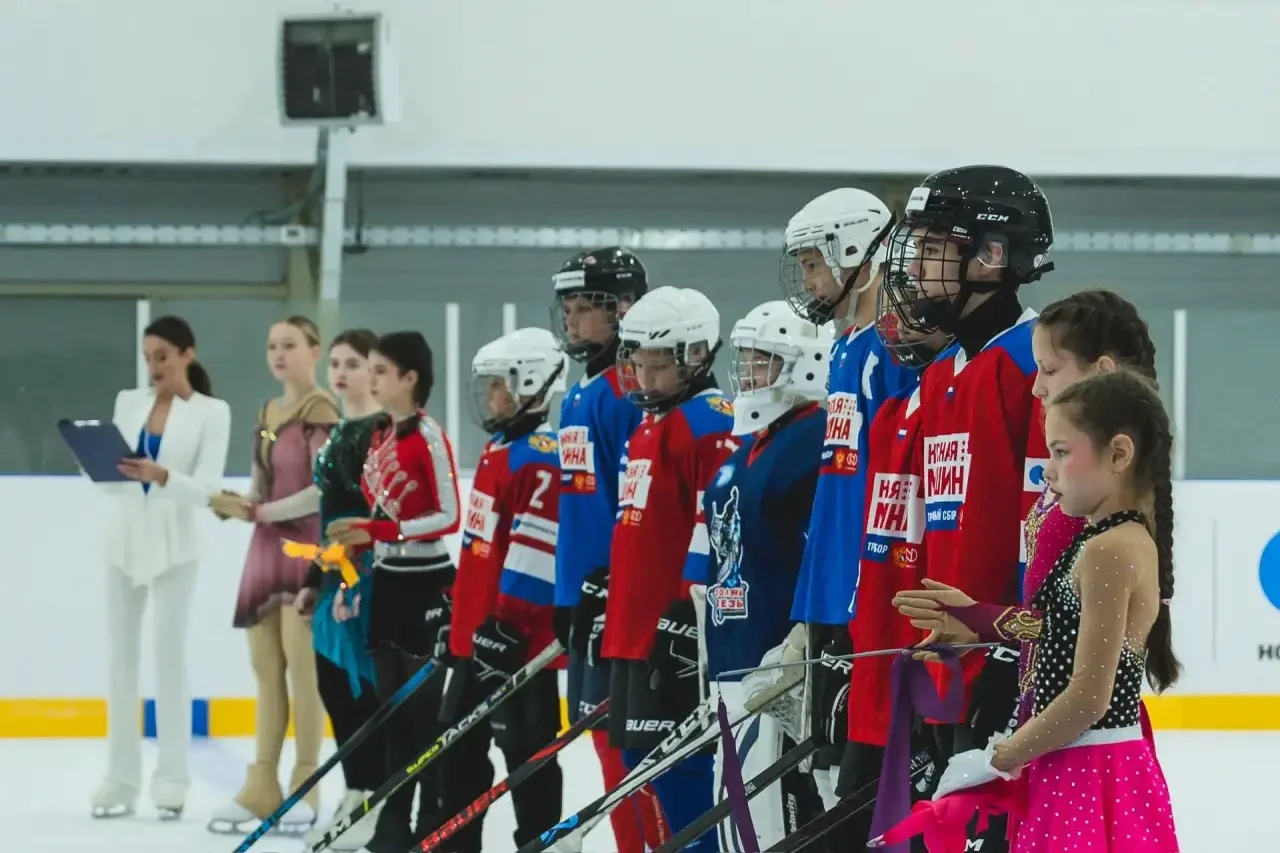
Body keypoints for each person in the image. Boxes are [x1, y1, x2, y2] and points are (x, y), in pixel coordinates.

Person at [891, 368, 1181, 853]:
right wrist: (981, 618)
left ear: (1119, 454)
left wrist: (997, 757)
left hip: (1088, 774)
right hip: (1070, 766)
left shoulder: (1109, 550)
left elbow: (1089, 698)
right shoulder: (1098, 540)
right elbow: (1064, 634)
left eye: (1062, 452)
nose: (1047, 469)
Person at [877, 165, 1055, 852]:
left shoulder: (1032, 360)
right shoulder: (947, 371)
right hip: (949, 663)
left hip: (1008, 667)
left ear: (991, 255)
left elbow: (1044, 530)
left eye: (932, 247)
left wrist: (1017, 653)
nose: (916, 266)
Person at [893, 290, 1160, 726]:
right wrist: (982, 622)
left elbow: (1083, 637)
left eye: (1049, 370)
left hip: (1082, 738)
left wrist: (988, 623)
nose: (1036, 386)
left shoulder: (1113, 505)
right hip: (1045, 711)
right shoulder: (1074, 487)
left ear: (1101, 372)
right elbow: (1059, 621)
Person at [776, 188, 916, 825]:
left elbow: (894, 482)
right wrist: (811, 606)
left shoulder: (892, 347)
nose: (807, 279)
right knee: (829, 790)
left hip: (869, 609)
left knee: (859, 804)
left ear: (856, 251)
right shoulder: (845, 347)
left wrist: (865, 602)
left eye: (813, 263)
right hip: (833, 602)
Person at [694, 300, 832, 851]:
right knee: (736, 831)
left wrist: (805, 645)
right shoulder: (750, 447)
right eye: (746, 358)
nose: (747, 372)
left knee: (773, 830)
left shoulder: (812, 438)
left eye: (763, 360)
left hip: (778, 671)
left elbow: (820, 551)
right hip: (733, 663)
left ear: (805, 363)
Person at [604, 285, 737, 851]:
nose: (642, 375)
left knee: (683, 777)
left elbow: (719, 524)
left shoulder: (706, 423)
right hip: (635, 633)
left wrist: (688, 611)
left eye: (657, 363)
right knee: (643, 767)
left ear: (696, 355)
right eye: (636, 361)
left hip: (675, 637)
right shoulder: (648, 425)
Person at [549, 247, 668, 851]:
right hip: (585, 598)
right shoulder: (582, 392)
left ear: (622, 309)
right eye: (566, 308)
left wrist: (610, 585)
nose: (570, 320)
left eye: (582, 308)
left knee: (628, 745)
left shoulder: (625, 391)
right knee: (603, 742)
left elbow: (637, 504)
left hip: (616, 602)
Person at [90, 315, 231, 821]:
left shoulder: (213, 412)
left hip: (175, 544)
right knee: (119, 660)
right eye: (148, 357)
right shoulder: (129, 403)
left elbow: (211, 490)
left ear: (187, 355)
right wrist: (98, 463)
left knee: (169, 658)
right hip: (124, 541)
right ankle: (119, 778)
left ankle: (172, 779)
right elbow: (112, 484)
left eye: (163, 357)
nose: (153, 367)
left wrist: (164, 474)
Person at [326, 330, 461, 853]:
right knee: (390, 715)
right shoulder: (381, 435)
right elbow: (381, 515)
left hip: (426, 584)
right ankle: (392, 824)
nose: (372, 379)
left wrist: (377, 532)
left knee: (423, 716)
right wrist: (353, 564)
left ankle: (430, 821)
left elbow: (447, 515)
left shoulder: (427, 434)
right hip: (387, 583)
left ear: (410, 378)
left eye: (381, 371)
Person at [437, 327, 570, 851]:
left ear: (531, 385)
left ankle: (539, 843)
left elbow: (533, 555)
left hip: (518, 648)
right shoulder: (501, 449)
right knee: (458, 758)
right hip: (479, 639)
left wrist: (506, 625)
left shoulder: (539, 456)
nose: (489, 397)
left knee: (529, 758)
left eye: (498, 386)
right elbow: (480, 548)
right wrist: (458, 610)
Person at [207, 316, 340, 835]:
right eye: (271, 346)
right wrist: (240, 504)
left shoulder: (321, 410)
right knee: (266, 672)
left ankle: (306, 783)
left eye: (289, 345)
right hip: (264, 547)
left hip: (304, 546)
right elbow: (262, 480)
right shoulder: (266, 412)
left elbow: (323, 488)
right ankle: (262, 784)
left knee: (302, 672)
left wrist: (264, 512)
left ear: (313, 351)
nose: (278, 354)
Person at [833, 287, 955, 843]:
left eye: (914, 310)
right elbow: (875, 544)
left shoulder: (952, 405)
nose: (896, 321)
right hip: (877, 670)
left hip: (923, 678)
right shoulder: (888, 416)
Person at [294, 328, 386, 851]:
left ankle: (377, 798)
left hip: (368, 577)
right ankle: (356, 791)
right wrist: (313, 578)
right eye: (336, 363)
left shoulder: (381, 431)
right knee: (335, 691)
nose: (341, 372)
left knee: (364, 693)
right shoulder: (338, 431)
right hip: (333, 579)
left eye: (353, 363)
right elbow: (327, 517)